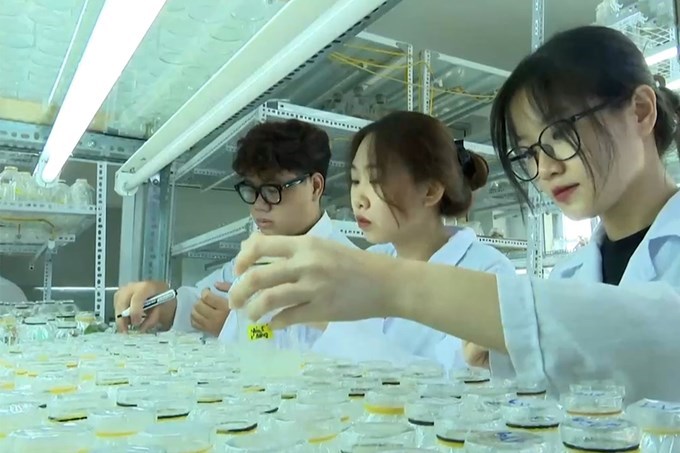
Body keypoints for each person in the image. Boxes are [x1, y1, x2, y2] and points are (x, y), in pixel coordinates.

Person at [227, 25, 680, 401]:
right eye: (529, 152)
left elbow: (655, 335)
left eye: (560, 135)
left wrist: (390, 286)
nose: (544, 169)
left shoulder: (499, 277)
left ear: (640, 111)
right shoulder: (569, 275)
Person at [311, 111, 516, 369]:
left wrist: (335, 329)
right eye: (355, 180)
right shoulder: (370, 263)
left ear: (430, 190)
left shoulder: (489, 274)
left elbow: (454, 378)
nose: (358, 199)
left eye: (376, 180)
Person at [114, 119, 355, 336]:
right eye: (251, 189)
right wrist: (163, 303)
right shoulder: (258, 254)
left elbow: (319, 347)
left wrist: (236, 328)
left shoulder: (348, 269)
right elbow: (206, 300)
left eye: (272, 190)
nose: (259, 205)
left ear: (315, 187)